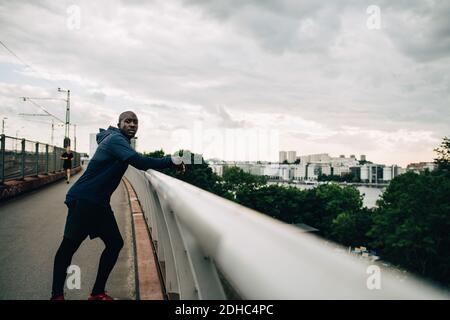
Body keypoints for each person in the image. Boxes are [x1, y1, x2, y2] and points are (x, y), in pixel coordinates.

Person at [50, 111, 184, 300]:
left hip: (98, 203)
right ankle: (57, 296)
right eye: (128, 121)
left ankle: (97, 293)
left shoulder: (117, 140)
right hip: (85, 201)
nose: (132, 125)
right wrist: (170, 160)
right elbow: (139, 162)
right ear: (119, 123)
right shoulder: (115, 139)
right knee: (68, 248)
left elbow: (135, 159)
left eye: (135, 122)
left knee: (114, 244)